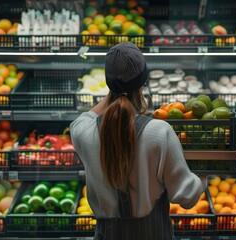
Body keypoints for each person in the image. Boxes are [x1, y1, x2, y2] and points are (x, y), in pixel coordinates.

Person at [70, 42, 206, 240]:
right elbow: (186, 197)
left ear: (108, 85)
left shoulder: (82, 132)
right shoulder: (160, 133)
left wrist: (113, 94)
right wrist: (204, 175)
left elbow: (86, 117)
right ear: (143, 84)